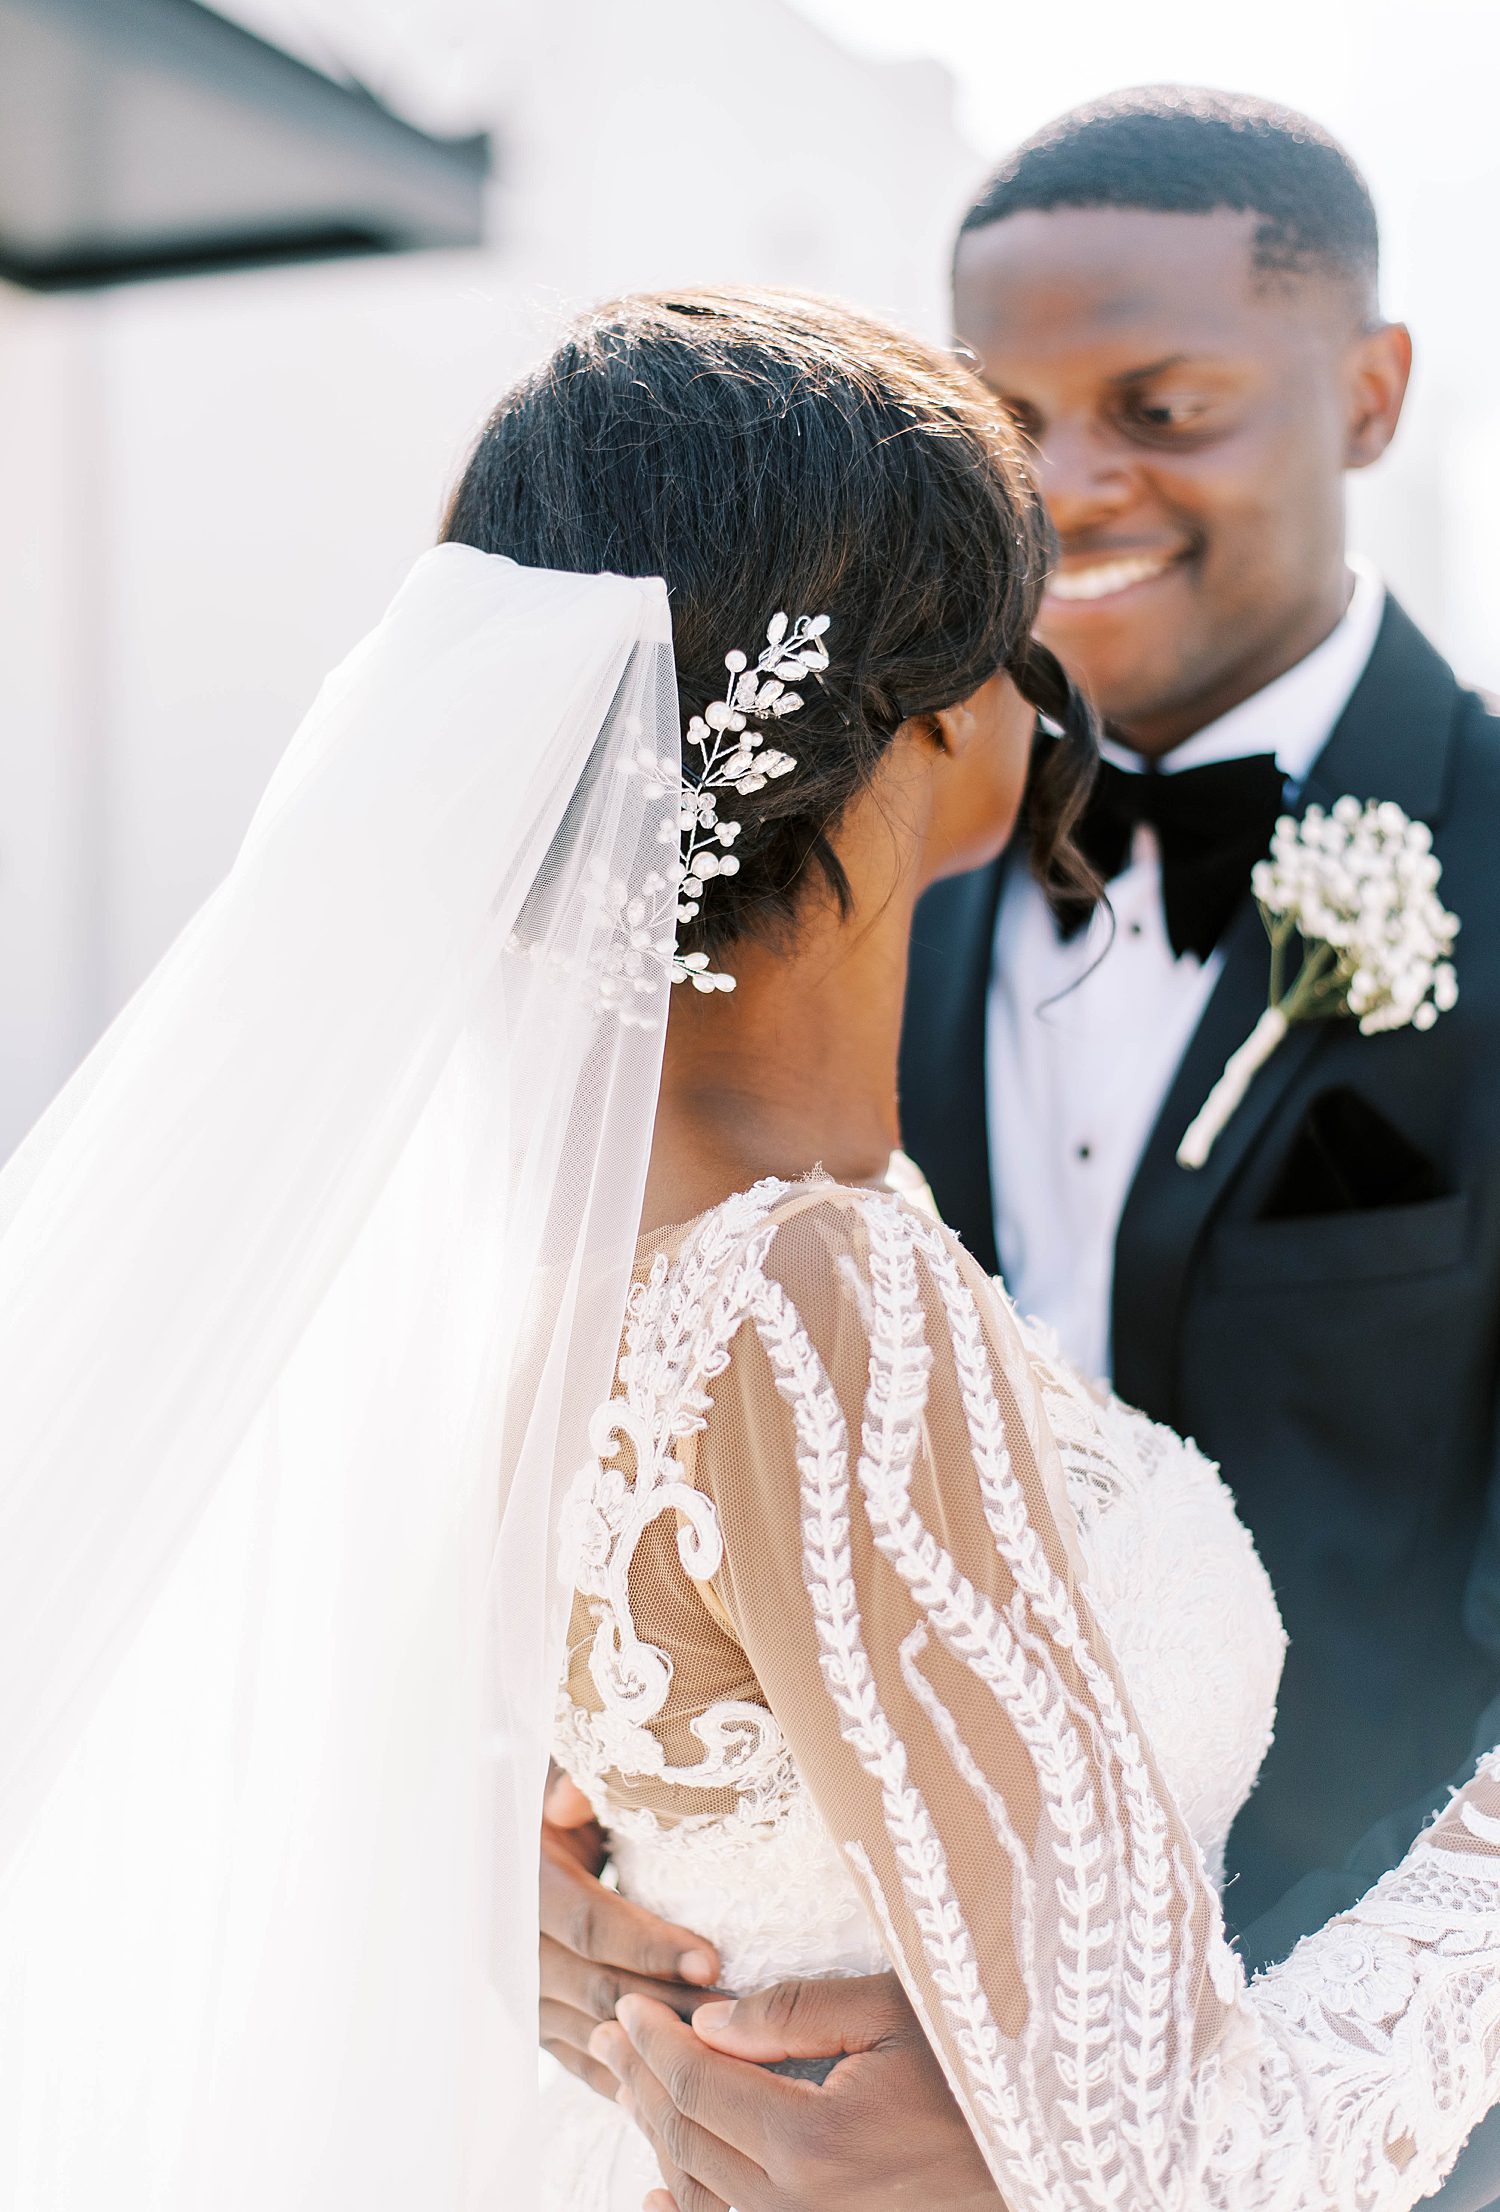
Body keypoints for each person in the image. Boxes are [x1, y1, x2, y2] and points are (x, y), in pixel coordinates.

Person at [539, 93, 1500, 2212]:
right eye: (1007, 429)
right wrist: (587, 1927)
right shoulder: (816, 1064)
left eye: (1161, 402)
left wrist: (1025, 2115)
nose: (1071, 496)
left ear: (1370, 394)